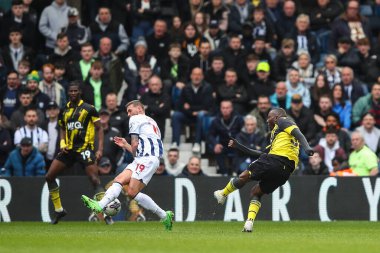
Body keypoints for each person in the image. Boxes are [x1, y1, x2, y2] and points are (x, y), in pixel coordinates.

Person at [213, 108, 314, 232]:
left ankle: (223, 194)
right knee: (256, 192)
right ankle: (249, 223)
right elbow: (260, 153)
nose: (267, 120)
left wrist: (307, 147)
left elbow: (298, 133)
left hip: (275, 160)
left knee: (245, 175)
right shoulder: (280, 137)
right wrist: (238, 146)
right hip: (285, 171)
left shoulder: (283, 121)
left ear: (277, 117)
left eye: (269, 117)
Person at [81, 100, 174, 230]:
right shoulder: (152, 122)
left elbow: (135, 143)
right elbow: (139, 149)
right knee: (119, 181)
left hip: (146, 159)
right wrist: (125, 145)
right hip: (147, 158)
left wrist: (131, 146)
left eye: (130, 111)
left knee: (132, 192)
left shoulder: (135, 119)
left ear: (139, 108)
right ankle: (100, 205)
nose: (129, 115)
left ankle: (164, 215)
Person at [45, 81, 104, 224]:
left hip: (85, 149)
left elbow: (99, 128)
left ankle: (105, 212)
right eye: (70, 91)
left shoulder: (89, 109)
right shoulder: (64, 110)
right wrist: (62, 143)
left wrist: (100, 149)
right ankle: (59, 210)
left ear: (80, 92)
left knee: (94, 179)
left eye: (75, 91)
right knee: (49, 176)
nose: (72, 93)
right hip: (69, 149)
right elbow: (62, 128)